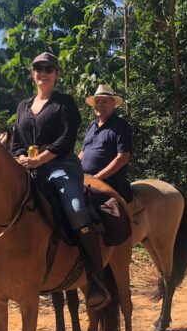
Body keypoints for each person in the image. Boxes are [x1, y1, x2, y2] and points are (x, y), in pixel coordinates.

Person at [11, 52, 111, 311]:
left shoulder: (64, 103)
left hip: (60, 168)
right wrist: (23, 158)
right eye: (37, 68)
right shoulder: (22, 106)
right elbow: (15, 144)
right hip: (28, 170)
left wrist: (39, 159)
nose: (42, 72)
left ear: (56, 73)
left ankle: (96, 279)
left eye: (48, 68)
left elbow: (65, 141)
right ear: (32, 72)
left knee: (77, 209)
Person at [79, 84, 133, 202]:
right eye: (97, 102)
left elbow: (122, 158)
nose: (99, 105)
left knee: (84, 203)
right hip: (85, 179)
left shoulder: (121, 126)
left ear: (113, 104)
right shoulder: (92, 125)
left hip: (108, 182)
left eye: (104, 102)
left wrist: (96, 178)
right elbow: (83, 153)